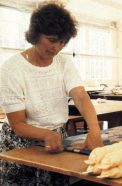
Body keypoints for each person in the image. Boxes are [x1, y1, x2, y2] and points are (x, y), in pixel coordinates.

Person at [0, 3, 103, 185]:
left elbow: (79, 95)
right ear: (35, 35)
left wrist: (94, 130)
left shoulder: (64, 63)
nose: (56, 47)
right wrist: (46, 134)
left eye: (62, 42)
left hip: (56, 140)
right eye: (51, 40)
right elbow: (17, 124)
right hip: (21, 145)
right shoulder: (12, 69)